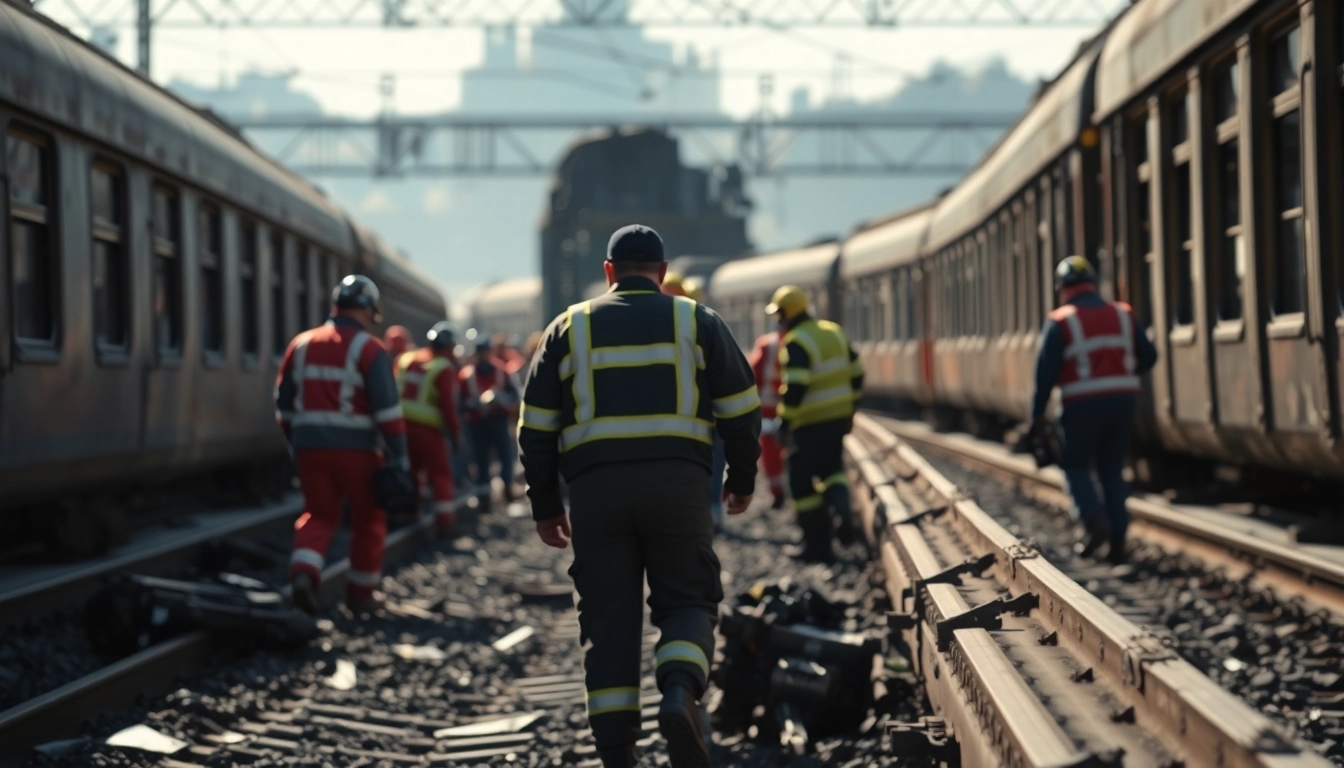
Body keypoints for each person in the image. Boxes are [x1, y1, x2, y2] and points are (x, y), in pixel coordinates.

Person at [519, 224, 761, 768]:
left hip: (595, 494)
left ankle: (617, 753)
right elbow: (743, 410)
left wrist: (545, 505)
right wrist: (740, 481)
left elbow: (534, 429)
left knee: (606, 620)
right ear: (664, 272)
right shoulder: (696, 320)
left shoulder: (567, 327)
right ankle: (678, 693)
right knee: (688, 600)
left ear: (608, 272)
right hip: (677, 488)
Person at [275, 275, 411, 614]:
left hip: (309, 450)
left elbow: (283, 403)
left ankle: (305, 573)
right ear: (368, 311)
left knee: (318, 514)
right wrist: (400, 455)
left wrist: (298, 442)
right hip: (358, 453)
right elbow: (388, 411)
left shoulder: (301, 344)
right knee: (368, 520)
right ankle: (361, 596)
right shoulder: (368, 348)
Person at [1029, 256, 1157, 565]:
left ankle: (1092, 522)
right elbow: (1149, 356)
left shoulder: (1060, 321)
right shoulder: (1123, 313)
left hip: (1080, 403)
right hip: (1123, 402)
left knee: (1074, 466)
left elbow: (1044, 376)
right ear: (1093, 284)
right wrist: (1123, 372)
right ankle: (1118, 540)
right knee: (1112, 470)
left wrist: (1035, 419)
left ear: (1062, 289)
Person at [769, 285, 864, 563]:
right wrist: (851, 409)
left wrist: (783, 424)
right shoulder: (832, 331)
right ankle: (840, 504)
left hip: (808, 423)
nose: (778, 321)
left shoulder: (797, 341)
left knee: (800, 482)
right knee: (832, 468)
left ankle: (816, 547)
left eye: (779, 315)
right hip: (837, 419)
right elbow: (857, 372)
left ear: (788, 313)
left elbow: (795, 387)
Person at [397, 321, 463, 536]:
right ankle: (445, 522)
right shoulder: (443, 367)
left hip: (400, 425)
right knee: (440, 473)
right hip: (427, 429)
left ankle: (409, 514)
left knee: (412, 472)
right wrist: (455, 433)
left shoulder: (407, 358)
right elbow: (448, 405)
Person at [460, 337, 522, 508]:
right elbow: (460, 403)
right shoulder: (467, 375)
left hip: (499, 421)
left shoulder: (501, 370)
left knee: (505, 456)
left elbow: (515, 395)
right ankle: (484, 497)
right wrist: (477, 403)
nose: (483, 356)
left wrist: (498, 399)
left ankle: (508, 489)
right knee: (481, 460)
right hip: (478, 423)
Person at [748, 324, 788, 508]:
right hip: (799, 413)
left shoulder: (766, 345)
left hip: (768, 413)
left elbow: (751, 377)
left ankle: (778, 493)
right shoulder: (805, 341)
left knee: (771, 453)